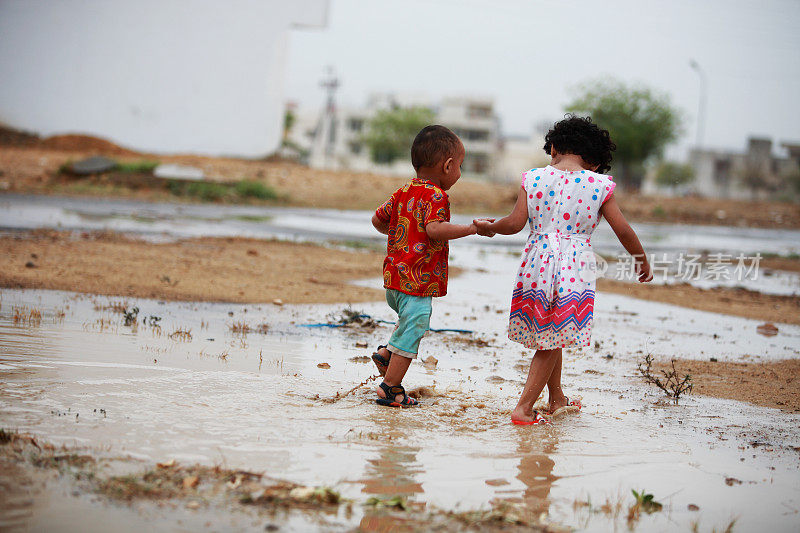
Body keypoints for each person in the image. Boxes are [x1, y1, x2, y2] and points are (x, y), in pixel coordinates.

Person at [474, 115, 653, 425]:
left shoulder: (532, 178)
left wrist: (491, 228)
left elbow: (515, 223)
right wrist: (640, 258)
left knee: (550, 332)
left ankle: (557, 399)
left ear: (553, 147)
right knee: (553, 335)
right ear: (595, 161)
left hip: (536, 262)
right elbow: (622, 229)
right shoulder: (599, 185)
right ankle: (524, 408)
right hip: (574, 266)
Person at [371, 125, 493, 407]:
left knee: (407, 320)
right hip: (417, 281)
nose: (460, 172)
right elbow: (435, 230)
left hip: (394, 279)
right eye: (460, 166)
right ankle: (390, 388)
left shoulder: (403, 191)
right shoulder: (436, 196)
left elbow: (378, 221)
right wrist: (472, 229)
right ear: (448, 166)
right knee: (415, 324)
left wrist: (400, 236)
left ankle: (387, 354)